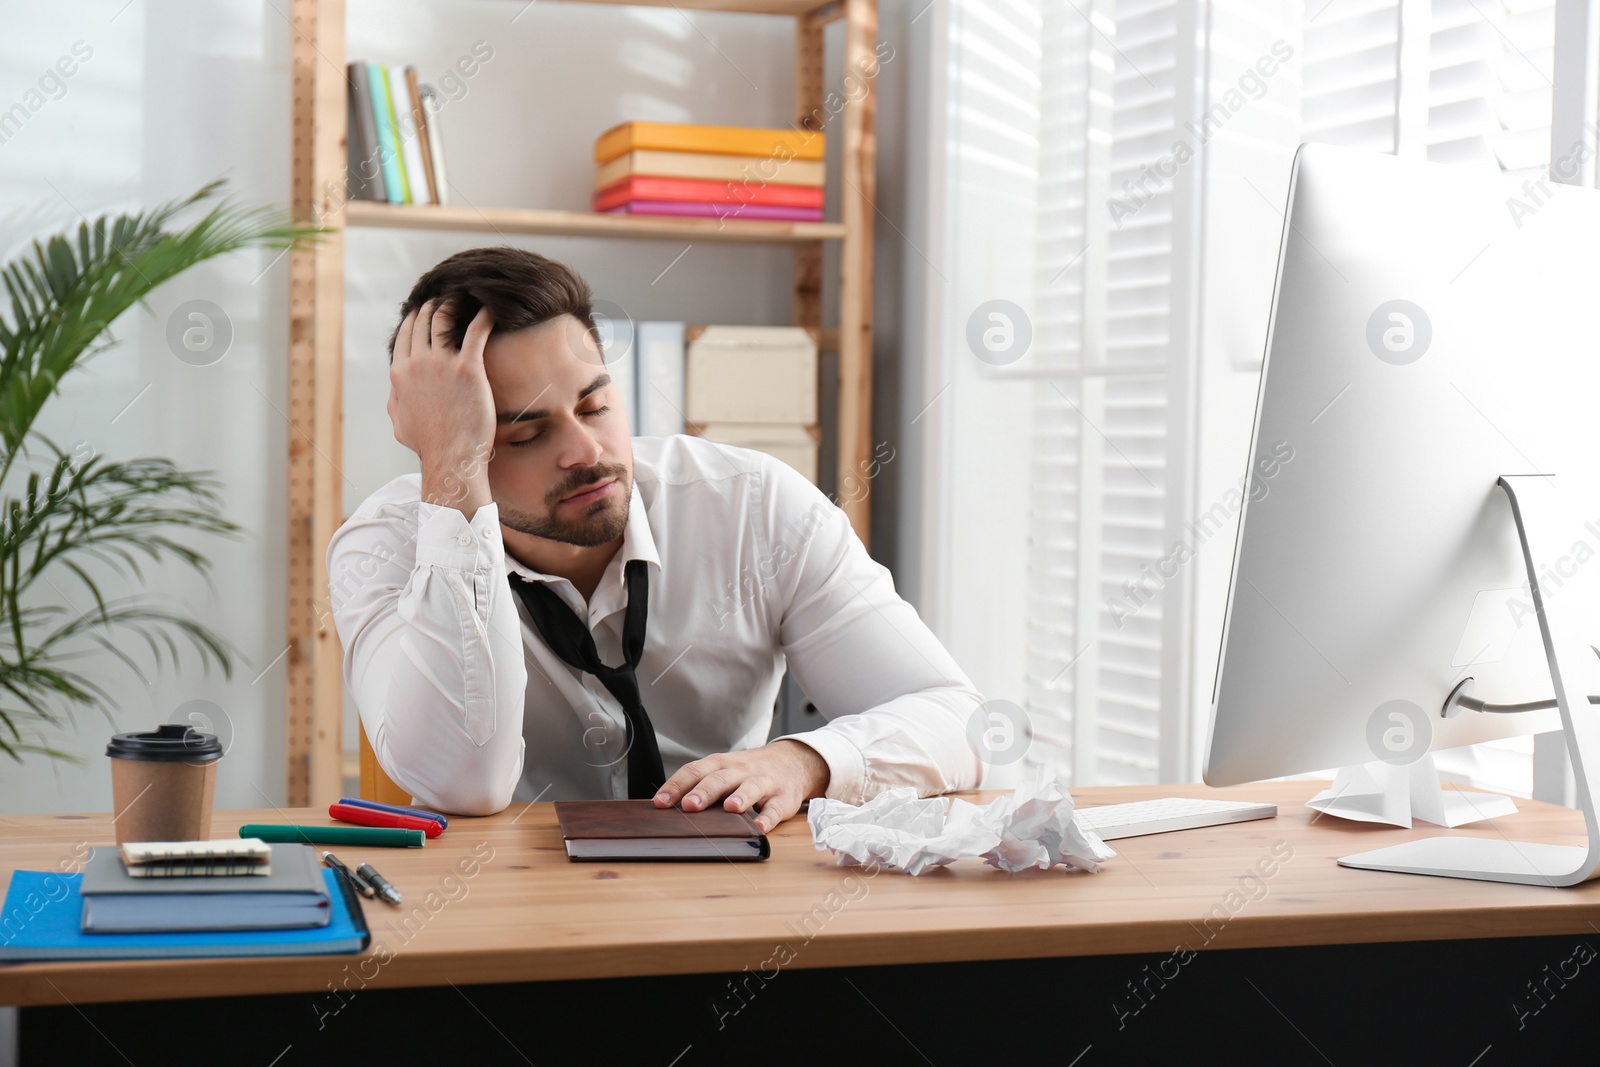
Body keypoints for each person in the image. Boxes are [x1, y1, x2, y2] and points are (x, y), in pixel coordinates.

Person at [327, 246, 987, 827]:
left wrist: (808, 759)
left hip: (725, 911)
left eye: (595, 405)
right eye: (525, 434)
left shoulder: (755, 507)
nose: (585, 451)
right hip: (504, 920)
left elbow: (959, 721)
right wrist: (450, 478)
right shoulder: (384, 548)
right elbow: (463, 782)